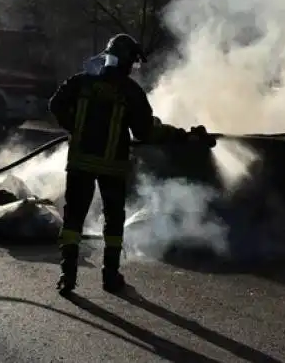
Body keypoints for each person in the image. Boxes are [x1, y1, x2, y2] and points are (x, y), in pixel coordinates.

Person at [49, 33, 215, 295]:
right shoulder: (129, 92)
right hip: (113, 167)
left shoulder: (81, 82)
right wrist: (182, 136)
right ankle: (110, 276)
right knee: (113, 224)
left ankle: (66, 277)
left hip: (80, 163)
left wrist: (75, 128)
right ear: (127, 62)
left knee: (73, 220)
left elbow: (55, 104)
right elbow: (146, 132)